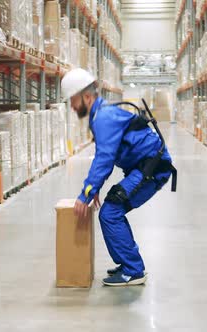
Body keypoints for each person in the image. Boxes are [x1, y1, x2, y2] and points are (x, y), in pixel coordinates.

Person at [61, 68, 175, 287]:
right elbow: (107, 157)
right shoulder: (101, 114)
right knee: (113, 209)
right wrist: (93, 190)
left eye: (73, 100)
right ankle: (128, 264)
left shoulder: (103, 117)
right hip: (143, 168)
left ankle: (134, 270)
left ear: (87, 96)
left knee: (111, 211)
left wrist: (86, 194)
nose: (73, 107)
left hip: (152, 169)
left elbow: (104, 159)